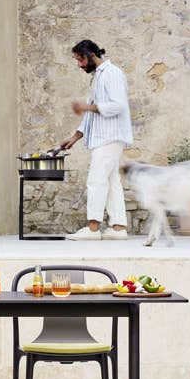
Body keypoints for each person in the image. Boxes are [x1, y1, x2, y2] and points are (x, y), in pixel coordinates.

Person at [59, 39, 133, 240]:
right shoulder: (97, 77)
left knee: (96, 180)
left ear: (91, 55)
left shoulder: (112, 74)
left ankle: (93, 228)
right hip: (104, 137)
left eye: (81, 59)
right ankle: (118, 228)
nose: (79, 65)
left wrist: (87, 107)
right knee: (111, 181)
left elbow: (118, 105)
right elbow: (91, 113)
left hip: (111, 136)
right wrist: (74, 138)